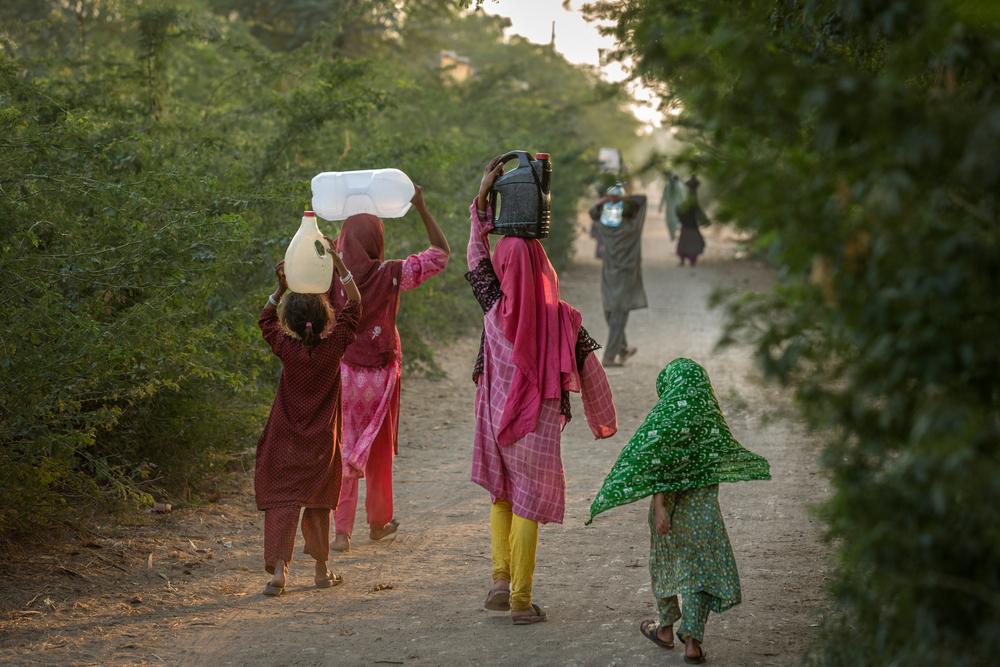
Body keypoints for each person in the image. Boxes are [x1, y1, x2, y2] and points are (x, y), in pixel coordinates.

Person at [466, 155, 618, 624]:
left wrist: (482, 198)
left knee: (503, 496)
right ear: (543, 267)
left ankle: (498, 577)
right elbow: (590, 368)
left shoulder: (493, 308)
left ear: (504, 267)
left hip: (495, 418)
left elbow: (476, 257)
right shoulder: (563, 319)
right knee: (528, 500)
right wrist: (601, 418)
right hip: (538, 423)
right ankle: (519, 599)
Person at [587, 358, 771, 663]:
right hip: (703, 515)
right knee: (697, 573)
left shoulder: (665, 416)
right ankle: (693, 643)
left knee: (666, 565)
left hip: (668, 511)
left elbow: (657, 460)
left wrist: (659, 507)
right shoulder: (710, 417)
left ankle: (666, 629)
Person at [331, 185, 450, 552]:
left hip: (345, 373)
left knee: (345, 446)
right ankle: (379, 522)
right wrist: (422, 207)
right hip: (382, 375)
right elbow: (440, 254)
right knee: (379, 446)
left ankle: (340, 531)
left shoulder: (331, 277)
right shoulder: (392, 273)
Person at [255, 246, 362, 596]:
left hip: (285, 438)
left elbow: (265, 320)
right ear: (326, 316)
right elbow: (355, 307)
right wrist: (340, 266)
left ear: (291, 322)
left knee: (283, 501)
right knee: (318, 502)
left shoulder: (287, 349)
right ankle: (320, 570)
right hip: (321, 443)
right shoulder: (335, 348)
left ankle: (279, 575)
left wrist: (281, 287)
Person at [589, 183, 648, 367]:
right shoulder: (632, 229)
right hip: (626, 275)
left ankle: (622, 349)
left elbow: (592, 212)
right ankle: (609, 356)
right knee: (619, 315)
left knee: (610, 311)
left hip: (609, 275)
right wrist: (622, 198)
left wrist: (607, 199)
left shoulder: (605, 229)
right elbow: (642, 200)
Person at [676, 175, 710, 267]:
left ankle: (683, 260)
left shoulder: (689, 201)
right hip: (692, 225)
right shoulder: (693, 200)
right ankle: (691, 261)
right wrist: (705, 220)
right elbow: (698, 211)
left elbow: (680, 212)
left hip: (686, 225)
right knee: (694, 242)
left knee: (684, 242)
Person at [659, 171, 683, 241]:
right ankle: (674, 234)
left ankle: (672, 235)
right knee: (676, 222)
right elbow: (683, 198)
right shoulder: (680, 186)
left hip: (669, 208)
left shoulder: (667, 185)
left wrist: (660, 206)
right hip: (677, 208)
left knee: (669, 222)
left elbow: (663, 197)